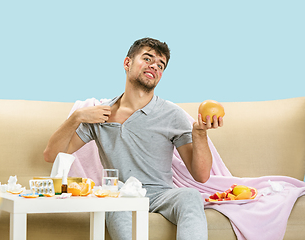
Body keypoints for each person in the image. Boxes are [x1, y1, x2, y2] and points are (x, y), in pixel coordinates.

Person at [43, 37, 223, 240]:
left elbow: (201, 176)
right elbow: (51, 155)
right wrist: (77, 117)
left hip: (162, 195)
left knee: (190, 196)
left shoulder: (173, 114)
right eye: (147, 59)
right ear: (127, 63)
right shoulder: (100, 114)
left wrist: (200, 133)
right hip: (122, 193)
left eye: (160, 65)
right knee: (113, 197)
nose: (154, 66)